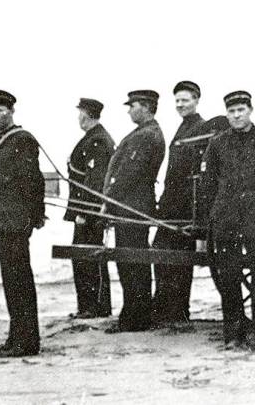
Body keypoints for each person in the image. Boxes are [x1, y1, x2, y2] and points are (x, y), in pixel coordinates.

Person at [199, 90, 255, 353]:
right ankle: (233, 335)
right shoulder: (217, 144)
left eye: (241, 110)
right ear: (227, 114)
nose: (237, 116)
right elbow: (207, 185)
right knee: (229, 279)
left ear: (250, 111)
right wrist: (211, 221)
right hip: (227, 220)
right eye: (232, 111)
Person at [0, 90, 46, 357]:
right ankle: (16, 335)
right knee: (11, 280)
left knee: (19, 280)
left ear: (11, 111)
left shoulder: (22, 139)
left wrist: (33, 217)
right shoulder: (2, 139)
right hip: (3, 220)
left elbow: (33, 180)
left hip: (16, 221)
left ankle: (27, 341)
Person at [103, 89, 165, 333]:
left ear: (146, 107)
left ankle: (135, 318)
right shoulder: (146, 133)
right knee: (132, 262)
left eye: (133, 106)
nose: (129, 110)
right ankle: (135, 315)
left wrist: (108, 199)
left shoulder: (146, 135)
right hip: (132, 207)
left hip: (132, 208)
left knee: (132, 263)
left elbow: (128, 174)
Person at [151, 81, 206, 326]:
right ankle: (169, 309)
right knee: (166, 255)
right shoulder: (184, 127)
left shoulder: (200, 127)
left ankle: (176, 311)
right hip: (172, 202)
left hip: (184, 205)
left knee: (176, 258)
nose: (180, 105)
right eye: (177, 101)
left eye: (185, 100)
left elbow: (196, 172)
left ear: (196, 100)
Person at [63, 97, 115, 319]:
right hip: (85, 210)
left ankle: (94, 308)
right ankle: (89, 307)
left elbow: (95, 181)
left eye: (80, 113)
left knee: (88, 258)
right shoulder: (93, 138)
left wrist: (84, 212)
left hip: (89, 213)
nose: (78, 118)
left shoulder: (98, 141)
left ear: (86, 115)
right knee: (83, 258)